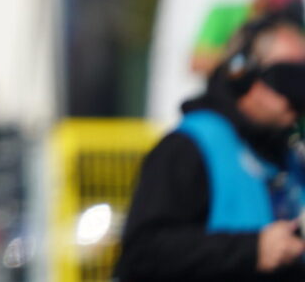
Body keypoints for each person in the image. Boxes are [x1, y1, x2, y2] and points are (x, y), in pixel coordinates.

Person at [119, 14, 305, 281]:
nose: (297, 99)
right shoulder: (189, 148)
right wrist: (252, 250)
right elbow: (142, 254)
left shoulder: (286, 155)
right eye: (288, 80)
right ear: (243, 75)